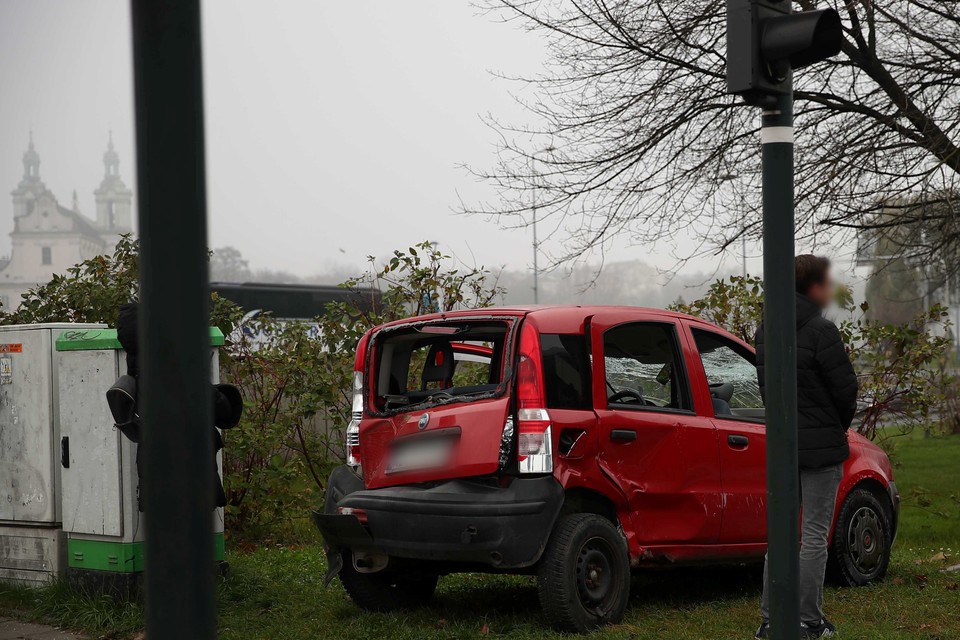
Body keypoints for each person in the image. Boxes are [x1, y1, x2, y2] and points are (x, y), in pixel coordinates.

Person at [754, 255, 858, 640]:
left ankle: (769, 620)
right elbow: (846, 392)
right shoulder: (821, 330)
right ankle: (808, 621)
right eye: (826, 283)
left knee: (780, 535)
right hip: (821, 450)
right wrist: (834, 427)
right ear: (812, 287)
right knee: (814, 536)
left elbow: (768, 390)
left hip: (782, 448)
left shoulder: (767, 330)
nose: (830, 289)